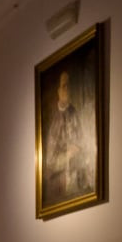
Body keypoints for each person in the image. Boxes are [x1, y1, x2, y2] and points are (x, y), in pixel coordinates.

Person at [42, 69, 93, 204]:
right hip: (60, 185)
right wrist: (68, 154)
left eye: (69, 85)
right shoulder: (55, 122)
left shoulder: (75, 113)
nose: (67, 89)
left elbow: (84, 144)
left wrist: (80, 150)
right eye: (64, 86)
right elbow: (50, 164)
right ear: (58, 91)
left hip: (77, 179)